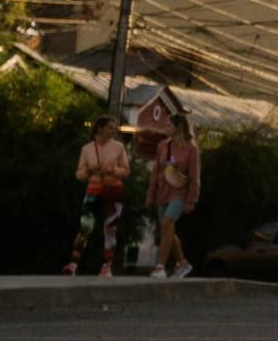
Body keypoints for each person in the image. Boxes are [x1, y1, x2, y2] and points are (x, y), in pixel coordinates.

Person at [138, 91, 201, 279]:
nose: (166, 128)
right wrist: (150, 194)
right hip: (162, 192)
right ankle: (182, 264)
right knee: (167, 229)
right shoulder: (162, 146)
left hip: (180, 194)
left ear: (178, 128)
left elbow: (194, 175)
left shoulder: (191, 149)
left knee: (166, 223)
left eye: (169, 125)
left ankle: (160, 267)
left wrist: (192, 200)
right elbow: (156, 171)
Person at [66, 118, 131, 279]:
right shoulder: (87, 149)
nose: (113, 131)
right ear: (100, 129)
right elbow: (79, 173)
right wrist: (87, 172)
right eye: (110, 128)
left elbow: (125, 170)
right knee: (85, 226)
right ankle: (73, 264)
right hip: (93, 188)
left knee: (110, 228)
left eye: (114, 128)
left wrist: (110, 169)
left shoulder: (118, 147)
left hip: (113, 189)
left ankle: (106, 267)